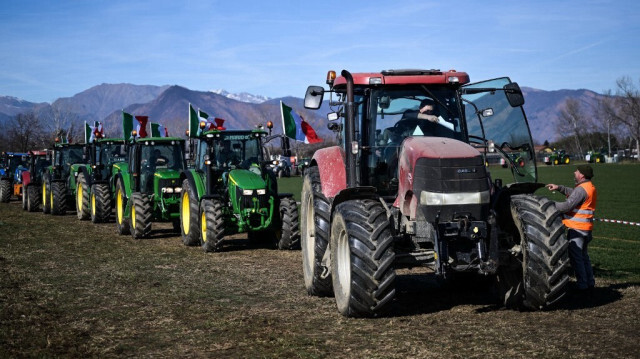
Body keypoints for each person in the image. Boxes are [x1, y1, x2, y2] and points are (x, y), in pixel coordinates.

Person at [547, 164, 597, 293]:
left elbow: (566, 206)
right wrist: (559, 188)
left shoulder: (581, 190)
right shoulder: (588, 187)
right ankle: (590, 282)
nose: (574, 172)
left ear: (582, 175)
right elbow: (574, 193)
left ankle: (582, 286)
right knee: (584, 257)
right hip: (586, 229)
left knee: (577, 259)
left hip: (577, 230)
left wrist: (548, 204)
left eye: (577, 171)